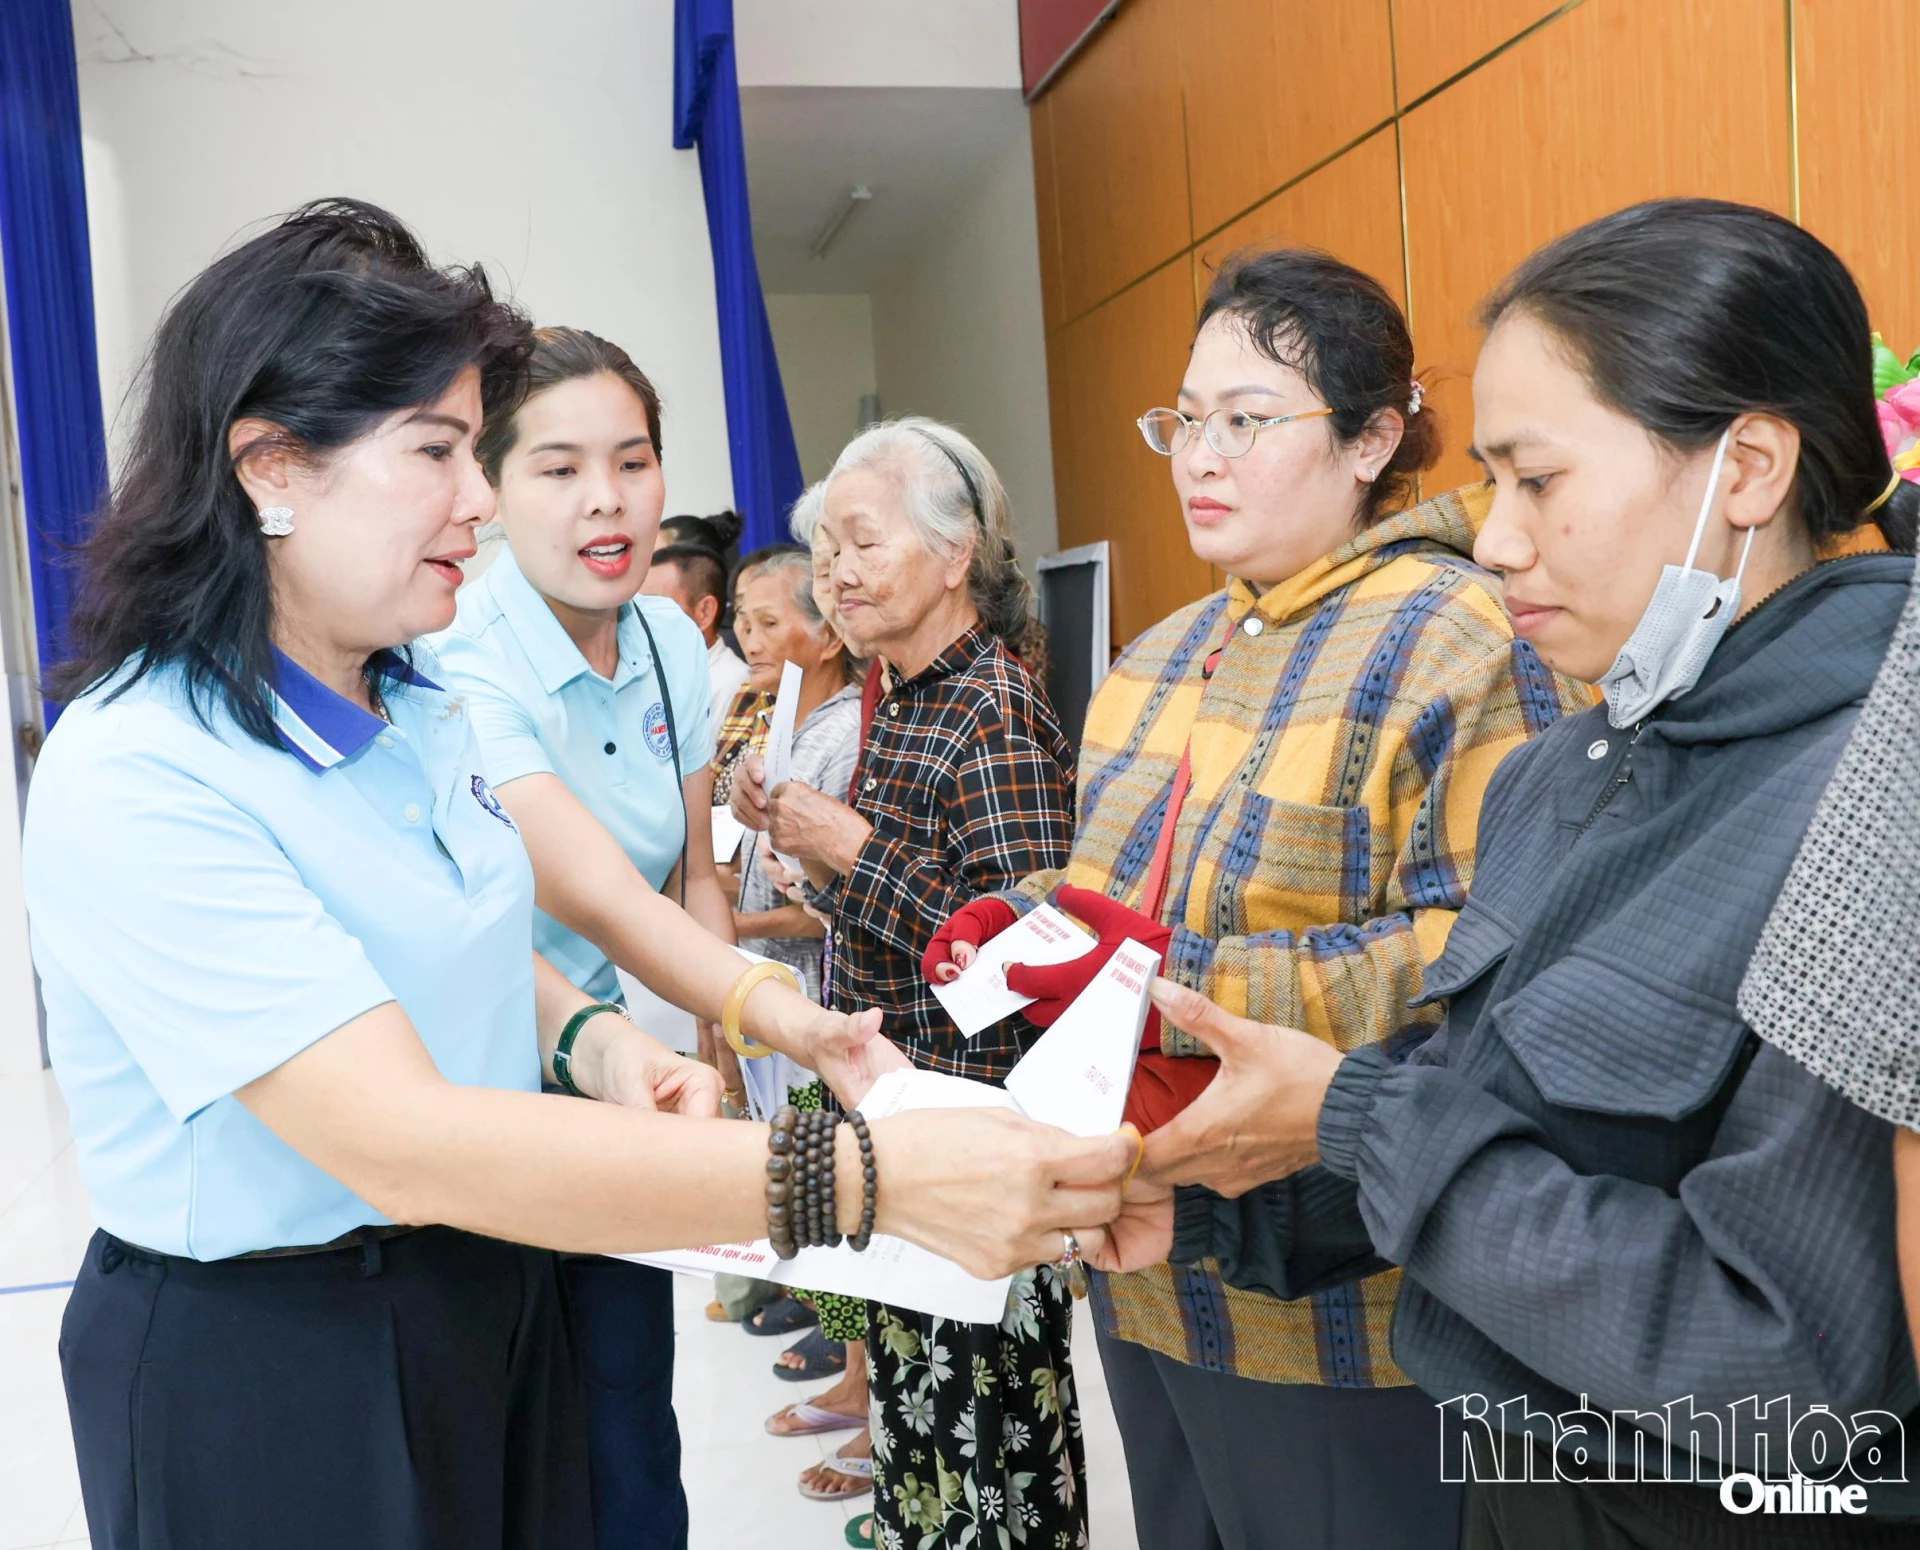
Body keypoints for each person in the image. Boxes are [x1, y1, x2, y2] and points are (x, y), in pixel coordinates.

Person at [19, 200, 1138, 1550]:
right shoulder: (145, 764)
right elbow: (400, 1134)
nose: (480, 501)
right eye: (439, 450)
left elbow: (471, 936)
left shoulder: (411, 700)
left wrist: (599, 1039)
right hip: (279, 1354)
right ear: (270, 470)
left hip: (487, 1283)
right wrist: (867, 1177)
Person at [1121, 200, 1920, 1548]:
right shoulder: (1572, 766)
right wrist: (1208, 1201)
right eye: (1490, 483)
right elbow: (1495, 1138)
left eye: (1535, 481)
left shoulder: (1870, 793)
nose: (1491, 539)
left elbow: (1799, 1382)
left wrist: (1363, 1119)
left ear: (1750, 467)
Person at [920, 249, 1592, 1550]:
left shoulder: (1463, 635)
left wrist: (1174, 975)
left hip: (1339, 1313)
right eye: (1185, 420)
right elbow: (1104, 890)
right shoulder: (1151, 659)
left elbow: (1494, 965)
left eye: (1248, 420)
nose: (1198, 457)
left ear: (1372, 437)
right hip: (1140, 1259)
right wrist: (1025, 924)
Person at [427, 324, 767, 1547]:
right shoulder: (455, 654)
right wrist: (782, 1008)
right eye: (560, 468)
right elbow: (589, 896)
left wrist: (719, 1035)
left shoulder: (673, 643)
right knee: (510, 1436)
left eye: (632, 461)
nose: (606, 501)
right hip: (471, 1086)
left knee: (630, 1415)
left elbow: (689, 871)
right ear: (490, 486)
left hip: (615, 1076)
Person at [732, 418, 1080, 1550]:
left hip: (974, 1129)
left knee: (985, 1429)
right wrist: (804, 853)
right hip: (897, 1117)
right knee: (915, 1409)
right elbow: (887, 923)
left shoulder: (997, 708)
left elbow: (1025, 967)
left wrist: (853, 846)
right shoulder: (900, 692)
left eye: (861, 542)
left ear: (954, 553)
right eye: (825, 545)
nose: (834, 570)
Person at [646, 525, 749, 722]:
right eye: (639, 608)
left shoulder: (735, 687)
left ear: (705, 612)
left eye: (657, 608)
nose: (642, 621)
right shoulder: (648, 676)